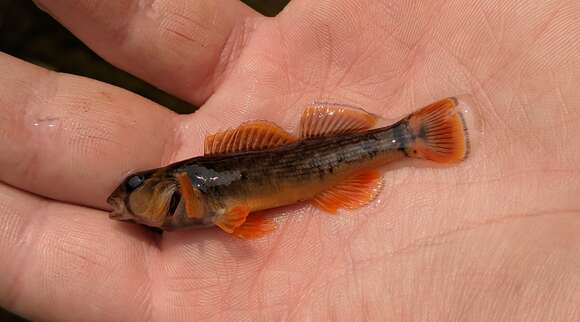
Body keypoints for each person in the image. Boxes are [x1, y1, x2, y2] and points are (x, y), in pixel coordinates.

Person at [1, 0, 579, 321]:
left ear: (166, 185)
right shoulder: (194, 199)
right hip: (313, 166)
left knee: (361, 155)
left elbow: (236, 209)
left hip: (333, 159)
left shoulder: (199, 191)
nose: (126, 201)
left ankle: (409, 138)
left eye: (133, 189)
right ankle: (404, 139)